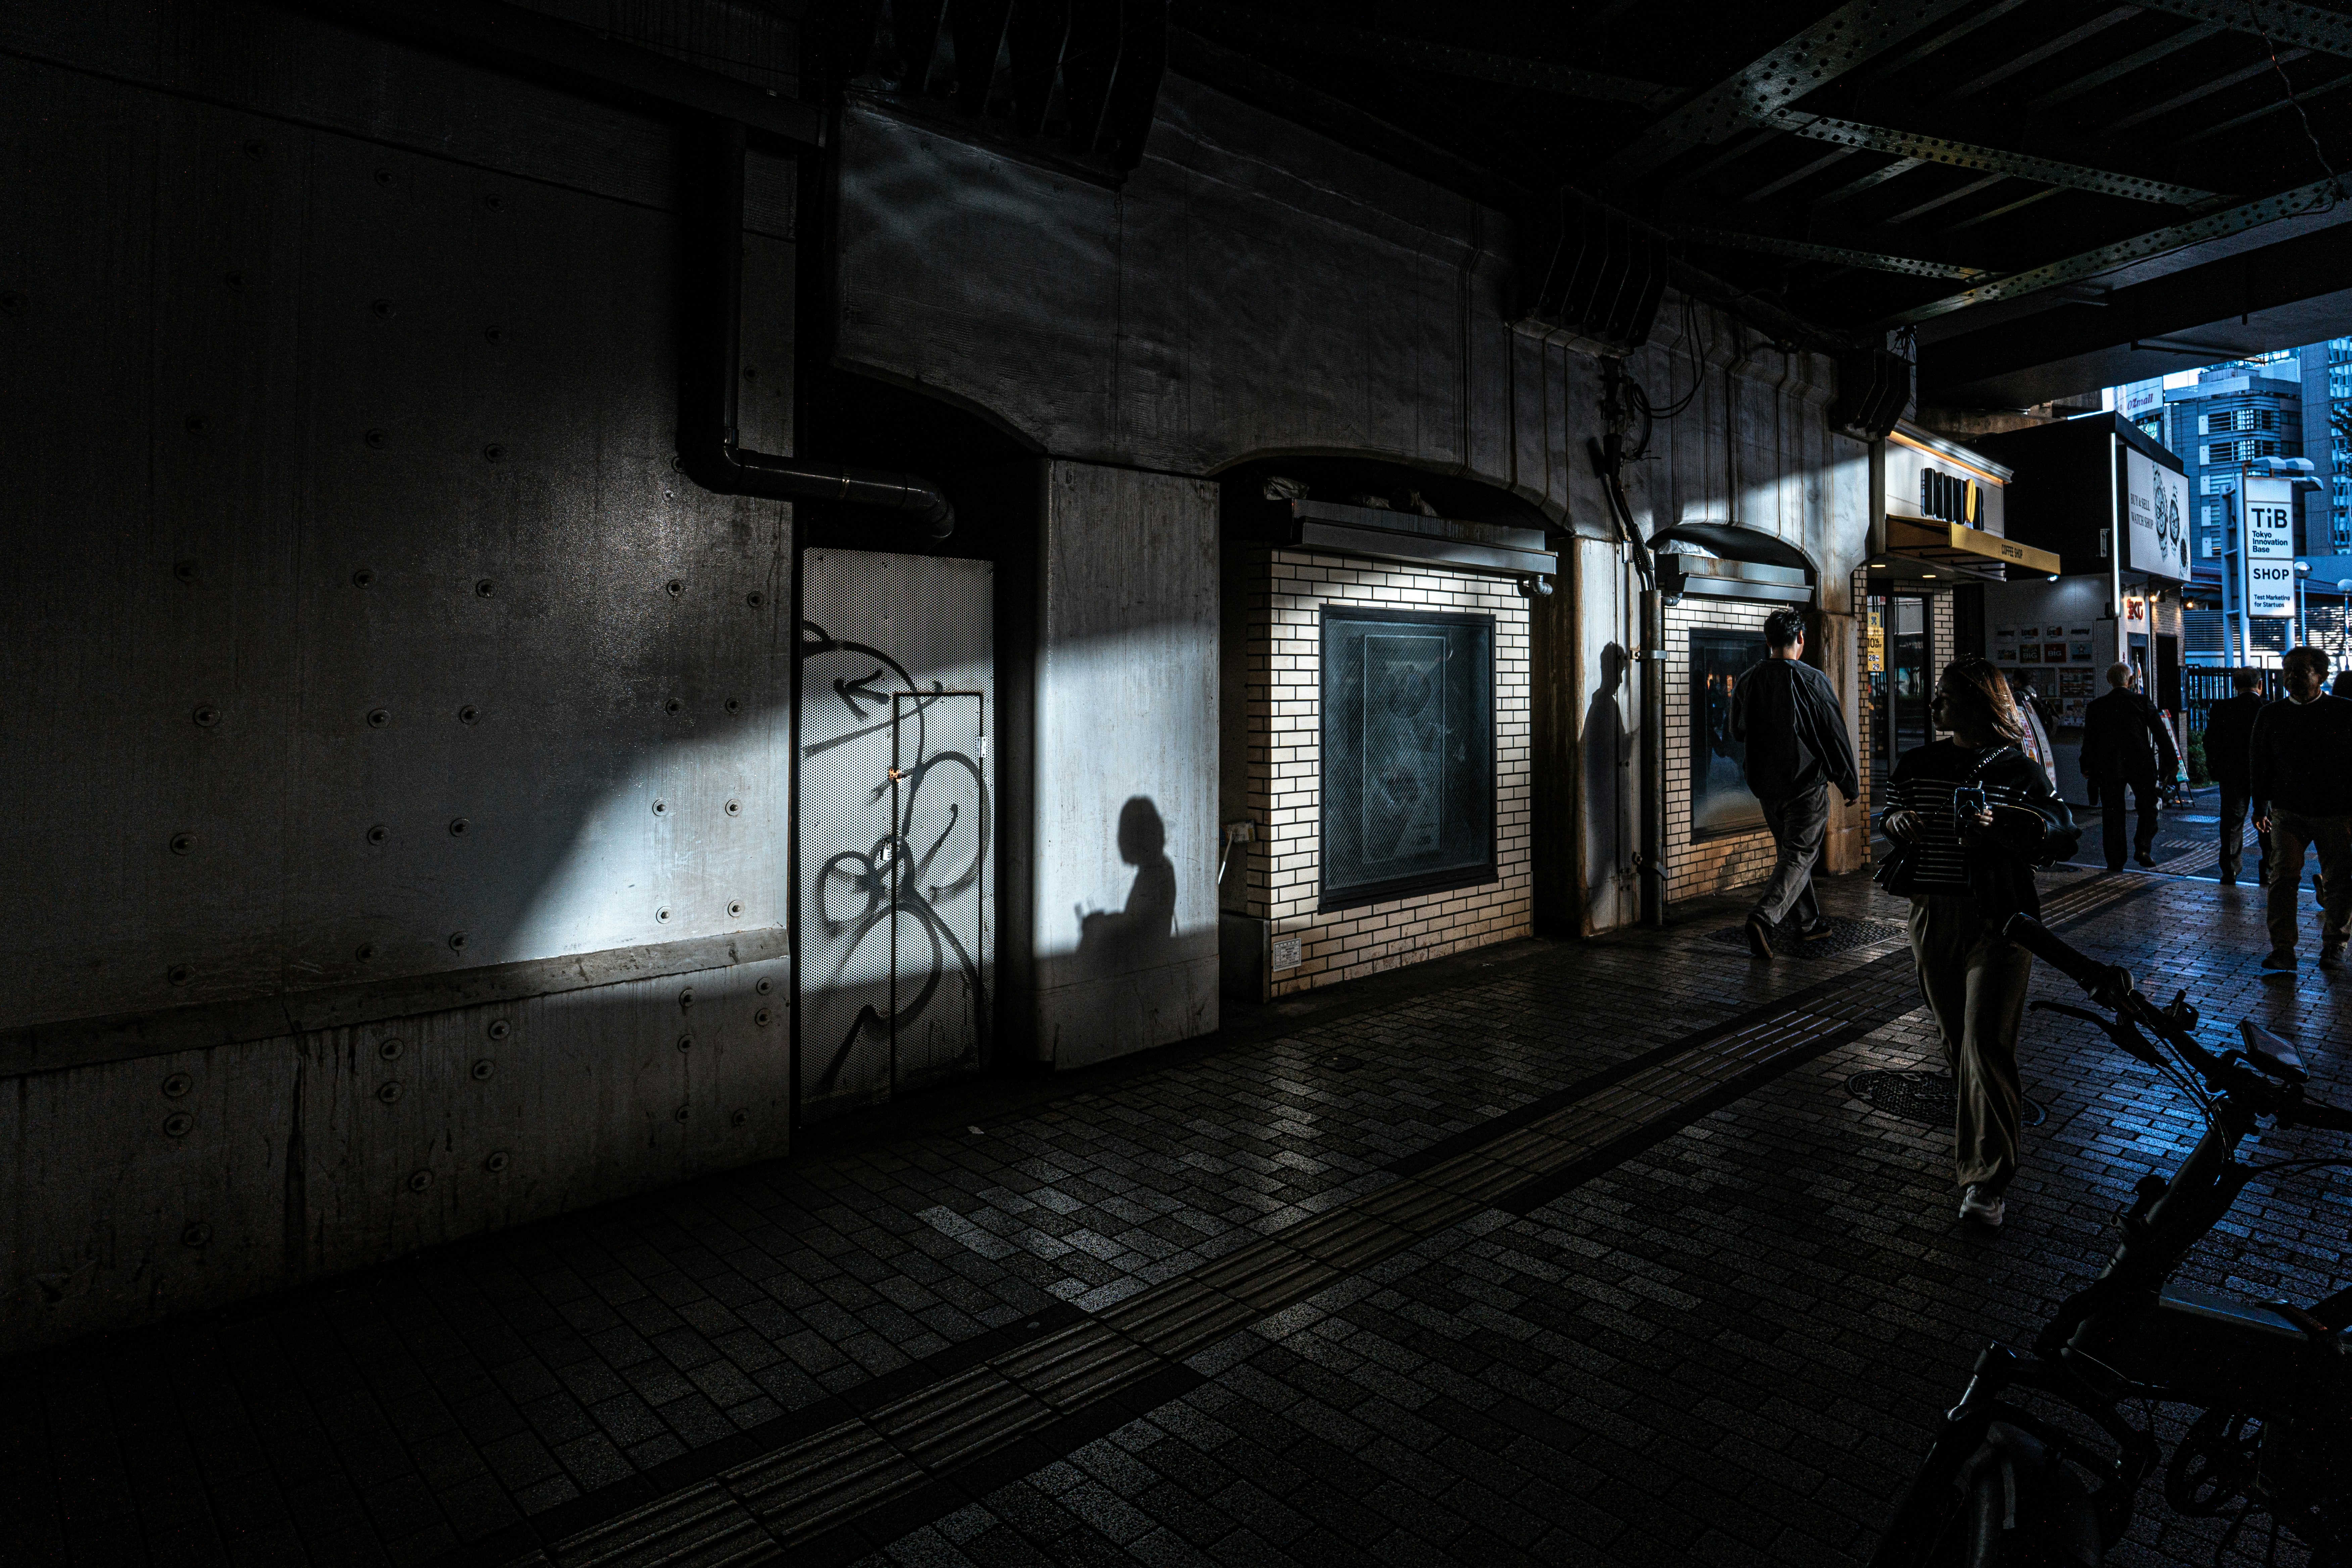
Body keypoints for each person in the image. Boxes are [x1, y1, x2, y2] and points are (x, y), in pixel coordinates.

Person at [1879, 657, 2077, 1228]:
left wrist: (2007, 823)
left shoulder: (2018, 769)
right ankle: (1981, 1160)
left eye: (1943, 695)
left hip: (1998, 920)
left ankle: (1986, 1181)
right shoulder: (1918, 761)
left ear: (1975, 701)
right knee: (1956, 1044)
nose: (1933, 704)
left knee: (1984, 1043)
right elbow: (1893, 809)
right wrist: (1896, 822)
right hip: (1931, 917)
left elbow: (2060, 831)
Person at [1730, 608, 1859, 960]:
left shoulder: (1747, 680)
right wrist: (1848, 781)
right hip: (1806, 786)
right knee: (1800, 854)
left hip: (1766, 788)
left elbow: (1737, 731)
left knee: (1792, 855)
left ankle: (1810, 922)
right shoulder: (1813, 680)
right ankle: (1763, 916)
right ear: (1800, 639)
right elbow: (1835, 734)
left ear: (1768, 641)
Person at [2250, 646, 2352, 975]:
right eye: (2288, 670)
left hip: (2336, 812)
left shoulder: (2344, 712)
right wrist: (2260, 804)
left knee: (2339, 881)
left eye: (2301, 670)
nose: (2291, 677)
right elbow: (2259, 762)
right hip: (2287, 812)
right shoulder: (2271, 714)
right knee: (2282, 879)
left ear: (2321, 675)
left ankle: (2334, 945)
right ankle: (2283, 949)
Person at [2077, 662, 2178, 871]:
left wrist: (2086, 764)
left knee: (2113, 813)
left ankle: (2116, 861)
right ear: (2131, 681)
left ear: (2109, 681)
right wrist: (2172, 762)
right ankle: (2143, 847)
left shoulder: (2096, 707)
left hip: (2108, 766)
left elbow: (2090, 740)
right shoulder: (2142, 702)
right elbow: (2161, 734)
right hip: (2140, 763)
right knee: (2149, 806)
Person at [2202, 669, 2267, 887]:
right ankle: (2268, 870)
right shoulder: (2267, 708)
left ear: (2235, 687)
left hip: (2232, 776)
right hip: (2264, 777)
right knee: (2267, 821)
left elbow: (2209, 741)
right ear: (2260, 686)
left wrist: (2216, 769)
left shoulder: (2222, 708)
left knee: (2231, 823)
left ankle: (2230, 871)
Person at [2004, 670, 2057, 791]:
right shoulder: (2033, 693)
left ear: (2018, 681)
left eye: (2014, 680)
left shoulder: (2019, 696)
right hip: (2038, 736)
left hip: (2026, 740)